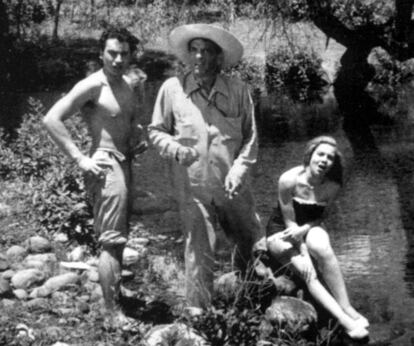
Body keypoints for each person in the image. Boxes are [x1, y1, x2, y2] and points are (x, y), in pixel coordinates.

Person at [148, 23, 267, 308]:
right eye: (194, 51)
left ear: (218, 57)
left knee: (249, 240)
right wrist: (175, 148)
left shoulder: (239, 89)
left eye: (206, 51)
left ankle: (250, 303)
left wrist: (239, 169)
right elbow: (155, 131)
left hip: (232, 183)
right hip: (193, 186)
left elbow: (251, 137)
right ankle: (199, 313)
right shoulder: (172, 89)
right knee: (199, 248)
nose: (199, 57)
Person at [43, 27, 146, 327]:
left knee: (120, 236)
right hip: (104, 166)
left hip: (124, 163)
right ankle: (111, 314)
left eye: (124, 54)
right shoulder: (92, 85)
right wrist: (80, 159)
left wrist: (136, 141)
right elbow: (51, 119)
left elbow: (123, 124)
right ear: (101, 53)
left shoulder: (127, 83)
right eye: (112, 53)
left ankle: (114, 295)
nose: (117, 59)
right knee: (112, 242)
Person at [266, 136, 369, 339]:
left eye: (330, 158)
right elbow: (289, 222)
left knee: (322, 248)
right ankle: (345, 321)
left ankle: (347, 307)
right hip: (283, 231)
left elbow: (323, 216)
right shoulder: (289, 179)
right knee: (308, 272)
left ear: (333, 163)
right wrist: (304, 254)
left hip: (307, 227)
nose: (324, 160)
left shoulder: (332, 185)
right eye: (320, 154)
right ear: (310, 155)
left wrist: (306, 230)